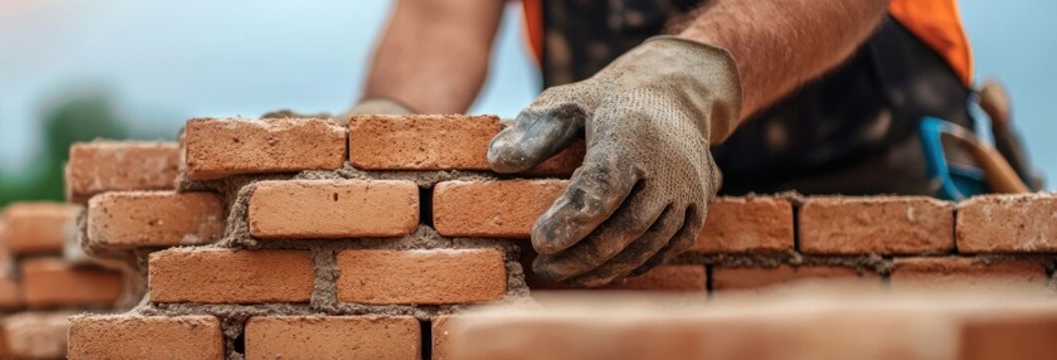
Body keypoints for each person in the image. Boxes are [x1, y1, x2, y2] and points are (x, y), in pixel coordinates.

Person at [344, 0, 979, 287]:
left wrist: (679, 87)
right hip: (625, 216)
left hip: (874, 191)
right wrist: (376, 134)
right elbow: (440, 21)